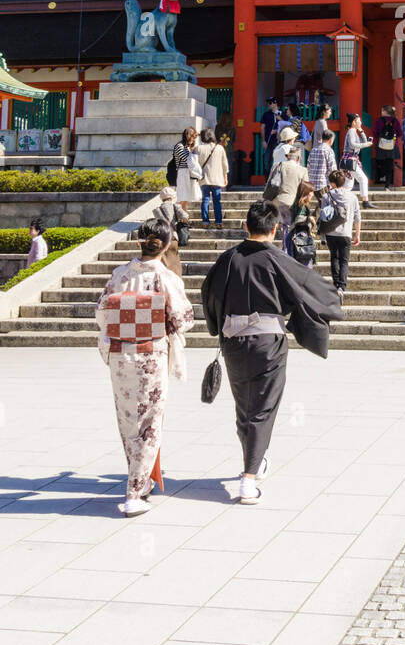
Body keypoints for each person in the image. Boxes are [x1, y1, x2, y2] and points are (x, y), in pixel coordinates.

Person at [202, 200, 343, 505]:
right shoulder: (277, 259)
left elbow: (210, 294)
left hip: (233, 342)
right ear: (276, 229)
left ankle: (254, 461)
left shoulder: (227, 260)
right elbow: (310, 286)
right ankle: (248, 480)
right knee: (263, 408)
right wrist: (328, 305)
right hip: (267, 343)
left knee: (244, 407)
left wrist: (217, 326)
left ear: (245, 226)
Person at [96, 219, 194, 517]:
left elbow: (101, 312)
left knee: (128, 421)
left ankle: (139, 478)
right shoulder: (165, 278)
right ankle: (133, 493)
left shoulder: (119, 274)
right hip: (151, 356)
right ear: (165, 245)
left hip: (120, 356)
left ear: (140, 241)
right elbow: (182, 318)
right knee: (149, 423)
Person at [321, 168, 361, 301]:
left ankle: (336, 284)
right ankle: (341, 288)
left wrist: (322, 234)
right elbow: (357, 217)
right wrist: (357, 234)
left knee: (334, 258)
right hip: (346, 233)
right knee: (344, 261)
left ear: (332, 182)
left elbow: (323, 215)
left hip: (331, 232)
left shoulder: (327, 196)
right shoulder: (352, 197)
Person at [269, 144, 309, 255]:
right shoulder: (302, 170)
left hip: (276, 200)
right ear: (298, 158)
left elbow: (271, 183)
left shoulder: (278, 165)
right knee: (287, 226)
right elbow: (306, 189)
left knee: (279, 224)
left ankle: (279, 248)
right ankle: (286, 251)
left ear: (287, 156)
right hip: (291, 202)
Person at [198, 128, 229, 229]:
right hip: (217, 179)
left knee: (205, 200)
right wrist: (225, 177)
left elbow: (194, 164)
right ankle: (218, 222)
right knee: (217, 201)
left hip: (204, 179)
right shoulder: (219, 148)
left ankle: (205, 222)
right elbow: (225, 164)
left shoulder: (198, 148)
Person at [153, 187, 188, 276]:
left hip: (162, 238)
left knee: (164, 261)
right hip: (173, 237)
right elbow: (185, 216)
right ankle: (176, 280)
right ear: (172, 197)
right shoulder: (175, 206)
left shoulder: (158, 210)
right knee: (175, 262)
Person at [341, 112, 372, 205]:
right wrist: (365, 145)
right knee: (363, 179)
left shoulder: (354, 131)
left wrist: (361, 130)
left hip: (350, 160)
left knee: (348, 184)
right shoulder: (351, 131)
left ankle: (339, 200)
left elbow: (364, 141)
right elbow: (352, 145)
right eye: (359, 121)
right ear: (354, 122)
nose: (361, 122)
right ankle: (365, 201)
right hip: (350, 159)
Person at [172, 127, 202, 215]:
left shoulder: (187, 147)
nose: (193, 139)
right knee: (182, 198)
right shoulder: (179, 146)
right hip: (183, 173)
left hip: (188, 174)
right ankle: (175, 216)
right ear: (188, 136)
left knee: (185, 200)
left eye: (195, 137)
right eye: (192, 136)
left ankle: (184, 219)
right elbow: (188, 160)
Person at [372, 105, 401, 190]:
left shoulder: (379, 121)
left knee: (381, 163)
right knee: (389, 165)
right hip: (392, 145)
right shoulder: (395, 121)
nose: (381, 112)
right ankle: (387, 185)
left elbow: (375, 132)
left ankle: (381, 177)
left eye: (382, 111)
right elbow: (400, 133)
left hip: (381, 145)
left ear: (385, 112)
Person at [307, 128, 338, 192]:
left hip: (312, 184)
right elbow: (332, 169)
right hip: (323, 184)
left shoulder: (313, 150)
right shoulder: (329, 151)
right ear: (331, 140)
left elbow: (308, 166)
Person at [261, 98, 280, 177]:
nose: (269, 105)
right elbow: (262, 127)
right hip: (268, 141)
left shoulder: (281, 114)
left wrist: (276, 131)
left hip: (278, 141)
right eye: (268, 103)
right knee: (266, 161)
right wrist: (264, 141)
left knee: (277, 161)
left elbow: (286, 125)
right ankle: (267, 180)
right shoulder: (266, 114)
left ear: (275, 103)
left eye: (271, 103)